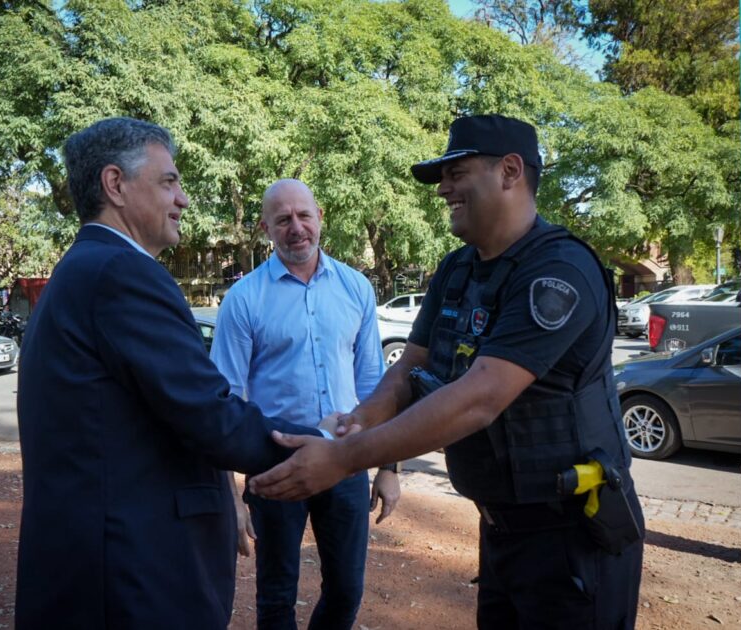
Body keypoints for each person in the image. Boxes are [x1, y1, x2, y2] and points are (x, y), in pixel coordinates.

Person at [249, 115, 645, 629]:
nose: (443, 189)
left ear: (509, 171)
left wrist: (345, 458)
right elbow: (413, 367)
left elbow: (479, 398)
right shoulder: (458, 270)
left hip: (572, 535)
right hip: (502, 528)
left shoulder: (558, 272)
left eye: (456, 172)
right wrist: (354, 423)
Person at [15, 118, 330, 630]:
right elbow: (207, 412)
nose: (182, 199)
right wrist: (327, 445)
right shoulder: (121, 273)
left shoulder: (88, 267)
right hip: (129, 575)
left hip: (104, 563)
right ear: (115, 185)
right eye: (169, 181)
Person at [210, 179, 400, 630]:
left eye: (304, 215)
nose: (296, 227)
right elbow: (223, 401)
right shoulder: (243, 299)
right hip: (274, 461)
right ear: (265, 229)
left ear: (320, 218)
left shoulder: (356, 288)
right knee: (277, 594)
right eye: (283, 219)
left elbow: (375, 384)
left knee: (347, 588)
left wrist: (389, 467)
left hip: (345, 455)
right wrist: (228, 497)